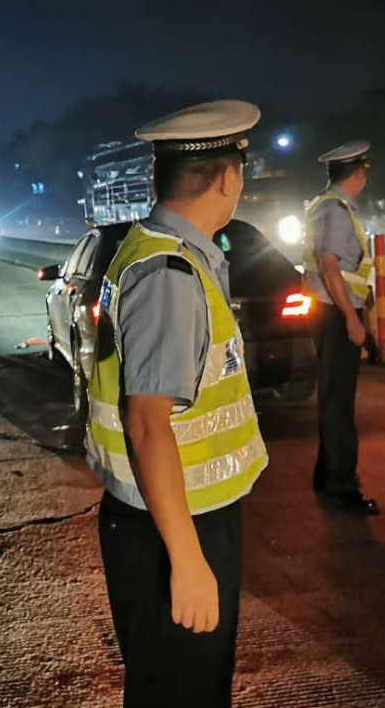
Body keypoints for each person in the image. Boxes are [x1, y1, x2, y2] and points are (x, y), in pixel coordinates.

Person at [85, 100, 268, 708]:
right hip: (172, 526)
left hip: (173, 514)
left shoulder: (163, 248)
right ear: (227, 177)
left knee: (187, 686)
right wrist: (187, 561)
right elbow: (146, 423)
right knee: (181, 691)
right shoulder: (169, 272)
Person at [302, 140, 379, 515]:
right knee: (338, 403)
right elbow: (331, 268)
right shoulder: (333, 211)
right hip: (335, 313)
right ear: (359, 171)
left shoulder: (330, 207)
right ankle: (341, 484)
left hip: (331, 310)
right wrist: (352, 320)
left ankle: (327, 475)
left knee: (335, 398)